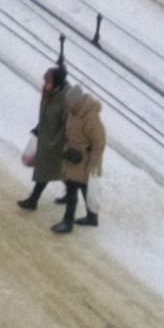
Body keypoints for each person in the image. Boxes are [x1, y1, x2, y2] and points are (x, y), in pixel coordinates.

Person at [54, 86, 105, 234]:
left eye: (69, 102)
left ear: (77, 102)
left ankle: (67, 223)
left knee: (72, 190)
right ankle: (92, 217)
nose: (67, 105)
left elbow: (99, 141)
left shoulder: (90, 117)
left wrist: (94, 161)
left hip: (85, 161)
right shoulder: (74, 112)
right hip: (74, 157)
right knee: (84, 188)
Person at [17, 65, 68, 211]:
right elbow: (46, 114)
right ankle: (71, 192)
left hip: (57, 142)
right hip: (48, 136)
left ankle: (33, 200)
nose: (45, 85)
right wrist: (39, 128)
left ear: (57, 83)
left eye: (48, 82)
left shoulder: (64, 101)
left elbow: (67, 126)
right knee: (61, 170)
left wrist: (57, 143)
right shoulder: (50, 94)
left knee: (46, 170)